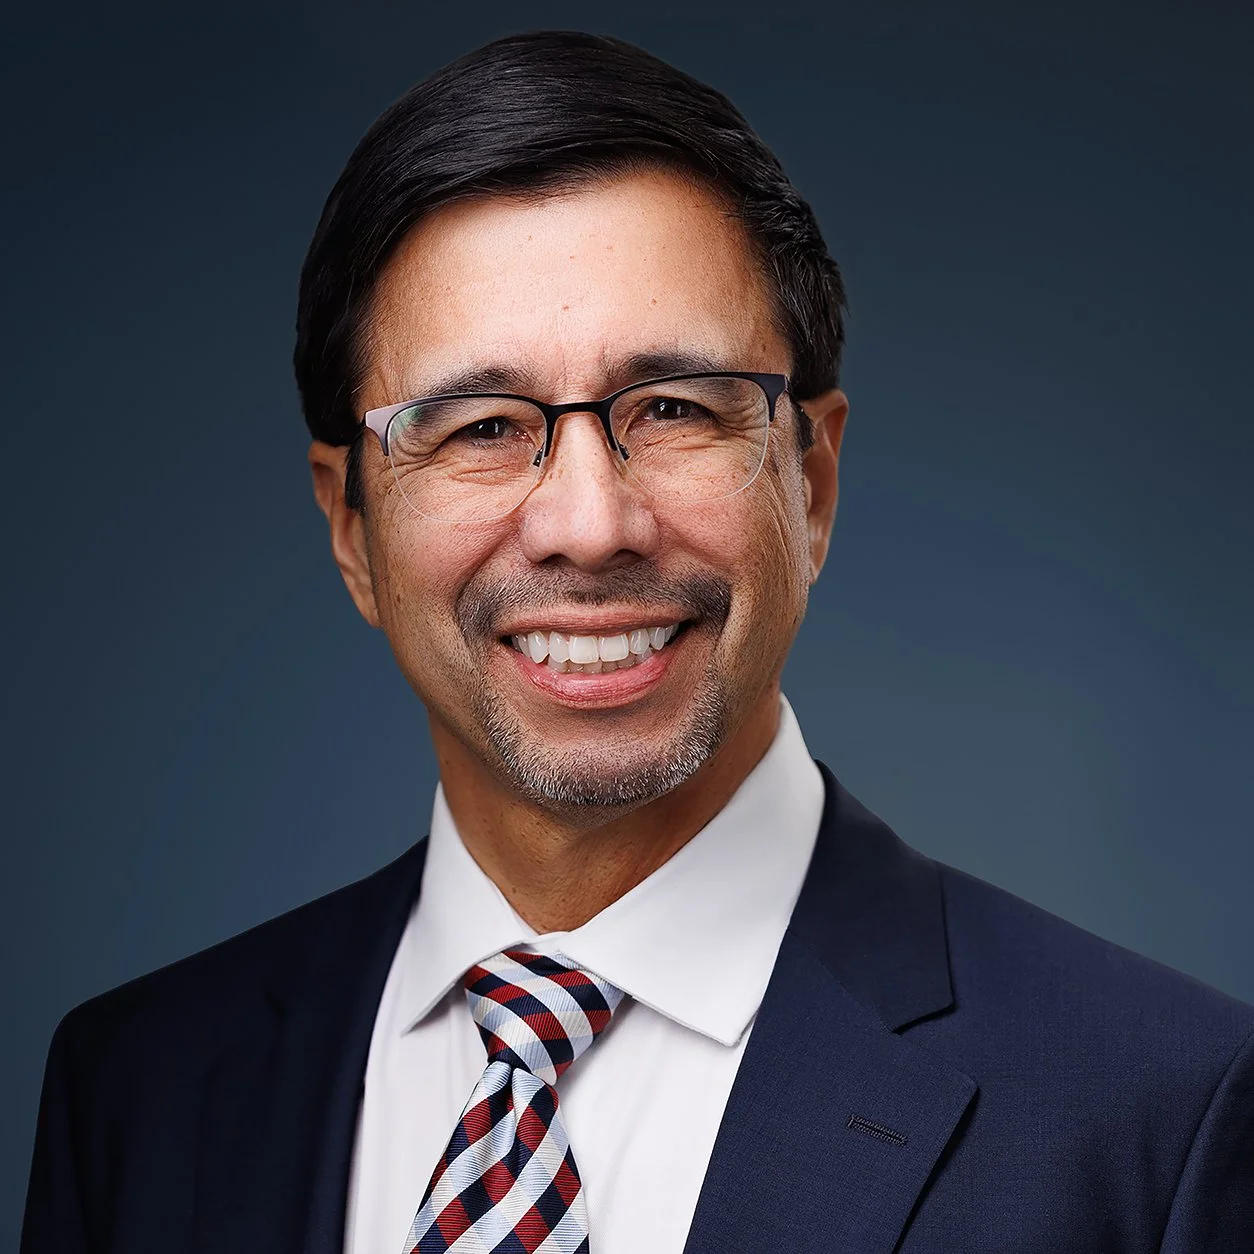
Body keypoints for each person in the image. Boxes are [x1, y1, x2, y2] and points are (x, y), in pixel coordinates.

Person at [21, 29, 1254, 1254]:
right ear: (351, 527)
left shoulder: (1160, 1121)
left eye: (672, 409)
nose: (588, 527)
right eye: (481, 427)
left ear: (811, 487)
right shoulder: (140, 1090)